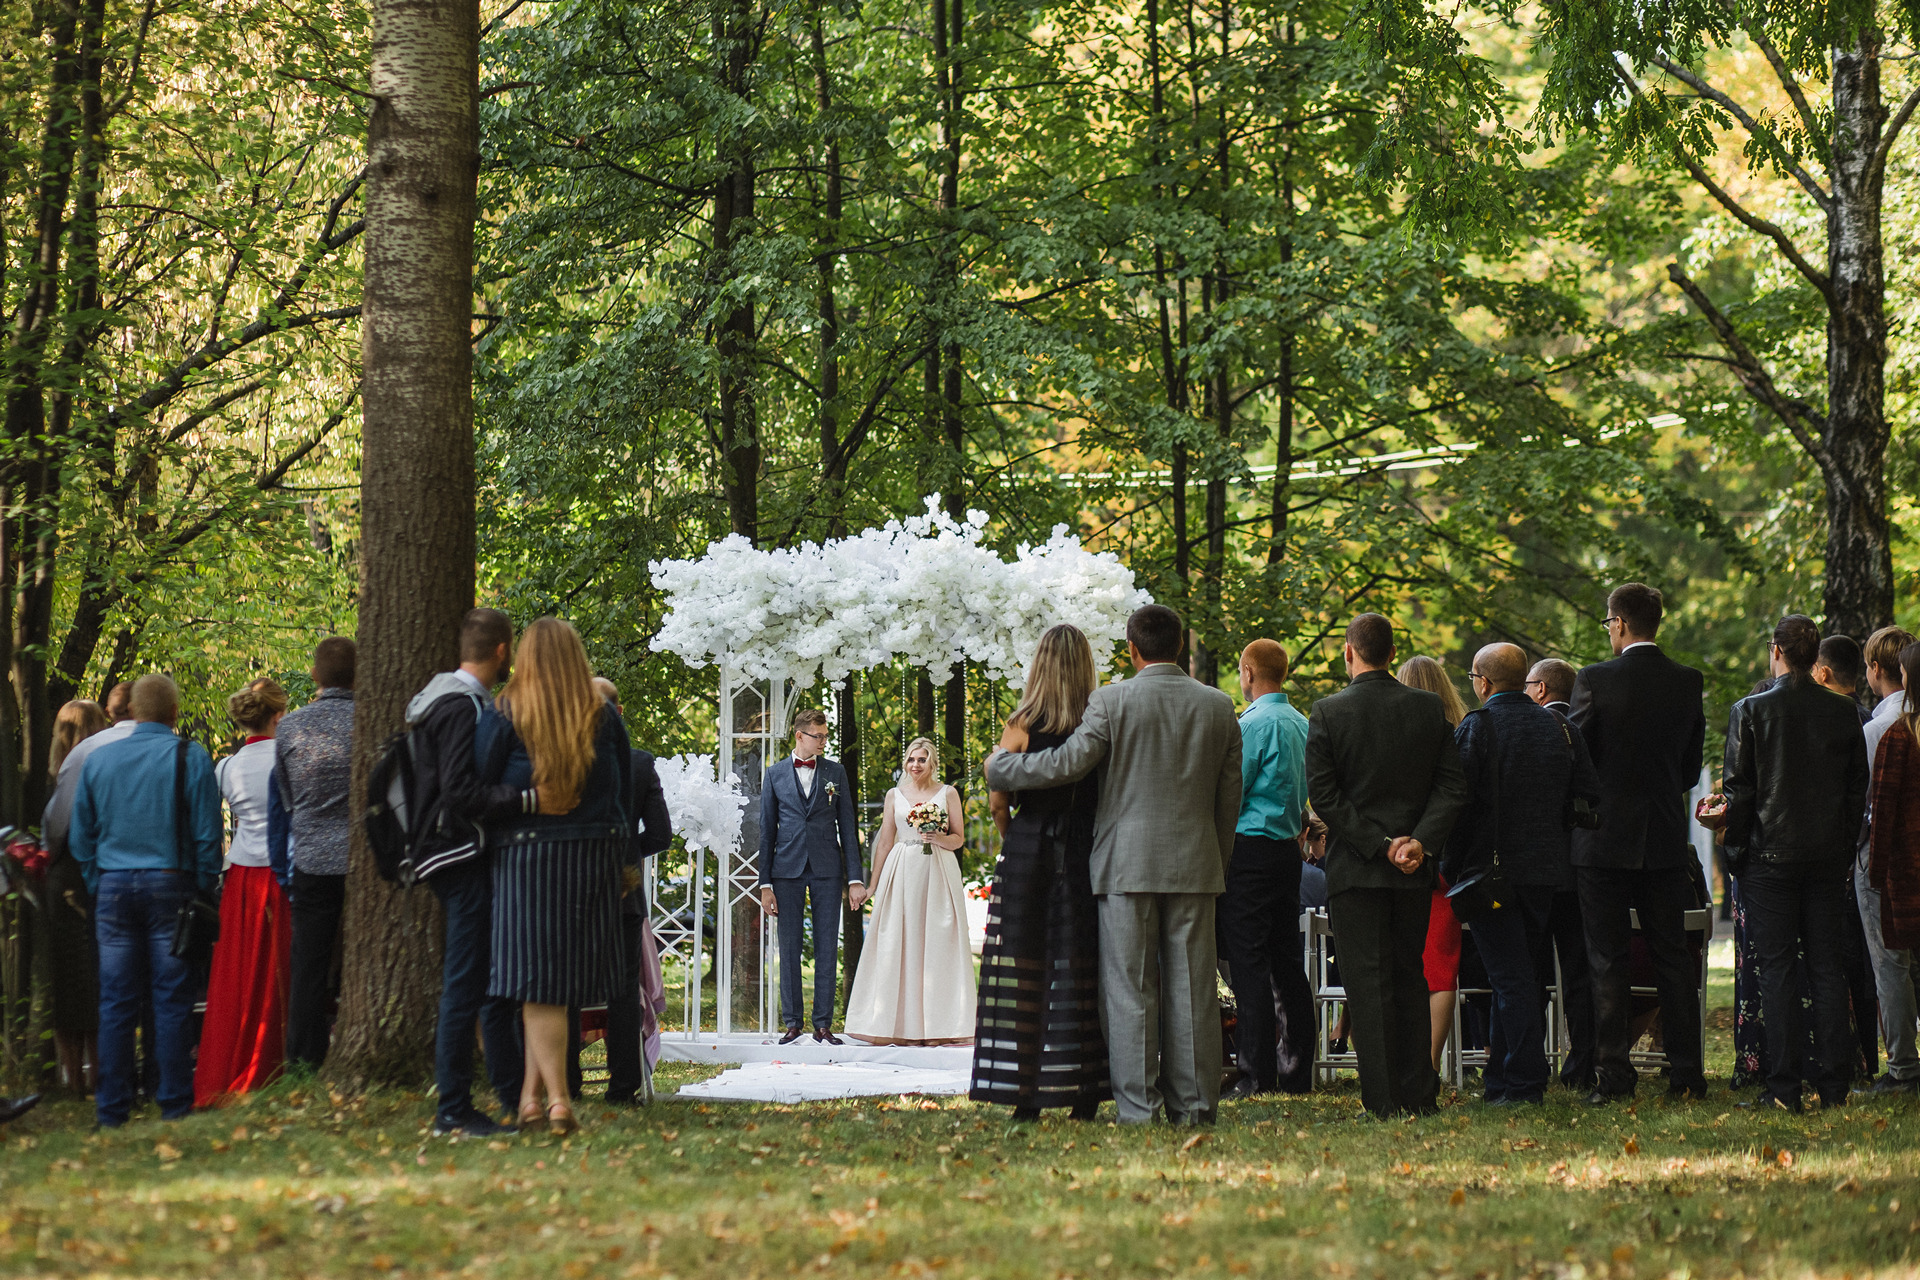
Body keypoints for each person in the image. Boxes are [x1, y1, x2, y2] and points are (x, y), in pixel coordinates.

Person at [987, 604, 1242, 1126]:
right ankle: (1194, 1108)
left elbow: (1063, 765)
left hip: (1123, 866)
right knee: (1193, 990)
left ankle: (1139, 1110)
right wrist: (1216, 861)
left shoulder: (1110, 701)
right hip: (1196, 864)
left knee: (1129, 990)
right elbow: (1227, 800)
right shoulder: (1219, 706)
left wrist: (1000, 766)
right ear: (1179, 644)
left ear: (1131, 647)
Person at [1700, 615, 1868, 1112]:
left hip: (1769, 861)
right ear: (1813, 655)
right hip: (1824, 858)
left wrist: (1734, 850)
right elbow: (1854, 789)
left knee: (1776, 971)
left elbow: (1741, 793)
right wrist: (1840, 849)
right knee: (1827, 967)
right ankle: (1835, 1085)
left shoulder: (1750, 711)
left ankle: (1784, 1087)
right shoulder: (1844, 712)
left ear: (1776, 650)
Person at [1306, 615, 1467, 1119]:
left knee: (1366, 982)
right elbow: (1451, 787)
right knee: (1410, 978)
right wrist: (1417, 842)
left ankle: (1380, 1098)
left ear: (1348, 653)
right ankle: (1419, 1091)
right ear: (1392, 652)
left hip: (1357, 870)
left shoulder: (1329, 712)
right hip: (1413, 870)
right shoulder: (1427, 709)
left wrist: (1379, 845)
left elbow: (1325, 795)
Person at [481, 617, 634, 1138]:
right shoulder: (602, 717)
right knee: (547, 986)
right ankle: (531, 1098)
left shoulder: (505, 712)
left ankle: (559, 1100)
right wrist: (622, 865)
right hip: (589, 859)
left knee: (538, 985)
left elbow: (477, 792)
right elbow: (618, 799)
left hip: (527, 861)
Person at [1569, 582, 1709, 1104]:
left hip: (1602, 840)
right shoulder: (1686, 681)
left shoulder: (1595, 680)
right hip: (1665, 838)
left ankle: (1614, 1077)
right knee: (1673, 958)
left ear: (1620, 623)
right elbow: (1690, 768)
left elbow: (1576, 757)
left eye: (1608, 624)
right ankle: (1687, 1075)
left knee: (1607, 959)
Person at [1445, 644, 1600, 1105]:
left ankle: (1525, 1084)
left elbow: (1458, 798)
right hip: (1547, 873)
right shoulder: (1561, 726)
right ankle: (1501, 1080)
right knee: (1517, 974)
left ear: (1484, 682)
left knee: (1511, 980)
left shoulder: (1479, 727)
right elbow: (1587, 794)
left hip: (1490, 872)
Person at [69, 674, 222, 1128]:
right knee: (171, 998)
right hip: (170, 885)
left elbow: (81, 836)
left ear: (132, 711)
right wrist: (203, 886)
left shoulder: (100, 759)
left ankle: (111, 1110)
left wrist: (100, 878)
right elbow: (208, 835)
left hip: (114, 887)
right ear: (175, 713)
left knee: (116, 1001)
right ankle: (173, 1101)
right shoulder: (189, 757)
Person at [971, 624, 1109, 1119]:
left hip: (1030, 849)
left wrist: (1015, 840)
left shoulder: (1023, 721)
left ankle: (1024, 1095)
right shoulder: (1098, 721)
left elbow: (998, 801)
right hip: (1084, 850)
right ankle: (1085, 1093)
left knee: (1024, 970)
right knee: (1081, 968)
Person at [410, 608, 528, 1137]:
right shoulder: (460, 707)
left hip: (448, 853)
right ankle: (452, 1107)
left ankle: (492, 1093)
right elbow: (460, 792)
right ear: (501, 651)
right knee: (464, 983)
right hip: (457, 854)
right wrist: (525, 798)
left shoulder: (440, 699)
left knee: (472, 981)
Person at [1219, 638, 1313, 1098]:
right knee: (1287, 963)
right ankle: (1297, 1071)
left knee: (1249, 962)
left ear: (1248, 672)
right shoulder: (1302, 722)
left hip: (1251, 850)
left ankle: (1255, 1073)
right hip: (1287, 853)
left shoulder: (1253, 724)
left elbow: (1235, 789)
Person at [574, 677, 672, 1104]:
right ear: (619, 712)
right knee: (620, 989)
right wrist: (631, 853)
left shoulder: (566, 758)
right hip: (623, 891)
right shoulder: (639, 762)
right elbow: (662, 834)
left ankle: (567, 1084)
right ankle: (621, 1087)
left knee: (567, 987)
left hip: (571, 887)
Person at [195, 679, 293, 1107]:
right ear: (277, 716)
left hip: (240, 874)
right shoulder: (287, 757)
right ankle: (274, 1061)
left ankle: (229, 1063)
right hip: (279, 871)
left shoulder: (226, 767)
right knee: (278, 970)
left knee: (237, 974)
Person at [845, 737, 976, 1045]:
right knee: (900, 943)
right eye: (911, 759)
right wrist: (873, 885)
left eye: (922, 759)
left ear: (932, 763)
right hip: (902, 870)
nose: (915, 765)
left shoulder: (948, 793)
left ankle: (939, 1028)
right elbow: (886, 842)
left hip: (938, 871)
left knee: (937, 943)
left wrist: (938, 837)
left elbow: (958, 838)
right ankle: (901, 1028)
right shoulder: (895, 795)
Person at [757, 707, 867, 1044]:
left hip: (827, 869)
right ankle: (793, 1023)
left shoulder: (836, 772)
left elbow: (848, 826)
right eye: (817, 736)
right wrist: (765, 884)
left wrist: (855, 879)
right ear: (799, 736)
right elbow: (766, 831)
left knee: (826, 946)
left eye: (825, 736)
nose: (823, 741)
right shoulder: (774, 774)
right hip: (786, 870)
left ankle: (823, 1024)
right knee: (788, 946)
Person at [275, 637, 357, 1072]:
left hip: (311, 860)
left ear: (314, 675)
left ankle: (302, 1057)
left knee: (308, 961)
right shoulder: (371, 720)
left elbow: (287, 797)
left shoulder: (291, 728)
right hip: (363, 862)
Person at [1809, 632, 1883, 1080]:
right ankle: (1868, 1060)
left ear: (1823, 672)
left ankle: (1846, 1059)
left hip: (1841, 855)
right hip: (1855, 851)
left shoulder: (1834, 719)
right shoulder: (1867, 715)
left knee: (1842, 961)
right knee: (1863, 965)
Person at [1524, 657, 1598, 1090]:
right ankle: (1582, 1064)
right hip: (1579, 867)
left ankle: (1531, 1063)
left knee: (1530, 970)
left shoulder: (1538, 730)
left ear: (1541, 689)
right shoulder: (1584, 730)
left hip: (1537, 868)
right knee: (1578, 974)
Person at [1395, 656, 1469, 1074]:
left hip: (1401, 854)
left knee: (1401, 960)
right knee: (1441, 965)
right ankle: (1429, 1063)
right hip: (1447, 859)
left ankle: (1405, 1059)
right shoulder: (1460, 730)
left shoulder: (1401, 733)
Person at [1858, 626, 1919, 1093]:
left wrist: (1870, 870)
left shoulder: (1881, 731)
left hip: (1891, 860)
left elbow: (1874, 806)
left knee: (1890, 962)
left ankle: (1902, 1065)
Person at [42, 698, 111, 1092]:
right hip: (96, 874)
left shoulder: (73, 766)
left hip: (69, 876)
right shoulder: (106, 760)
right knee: (93, 977)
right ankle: (96, 1071)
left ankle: (74, 1076)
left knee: (72, 979)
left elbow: (56, 830)